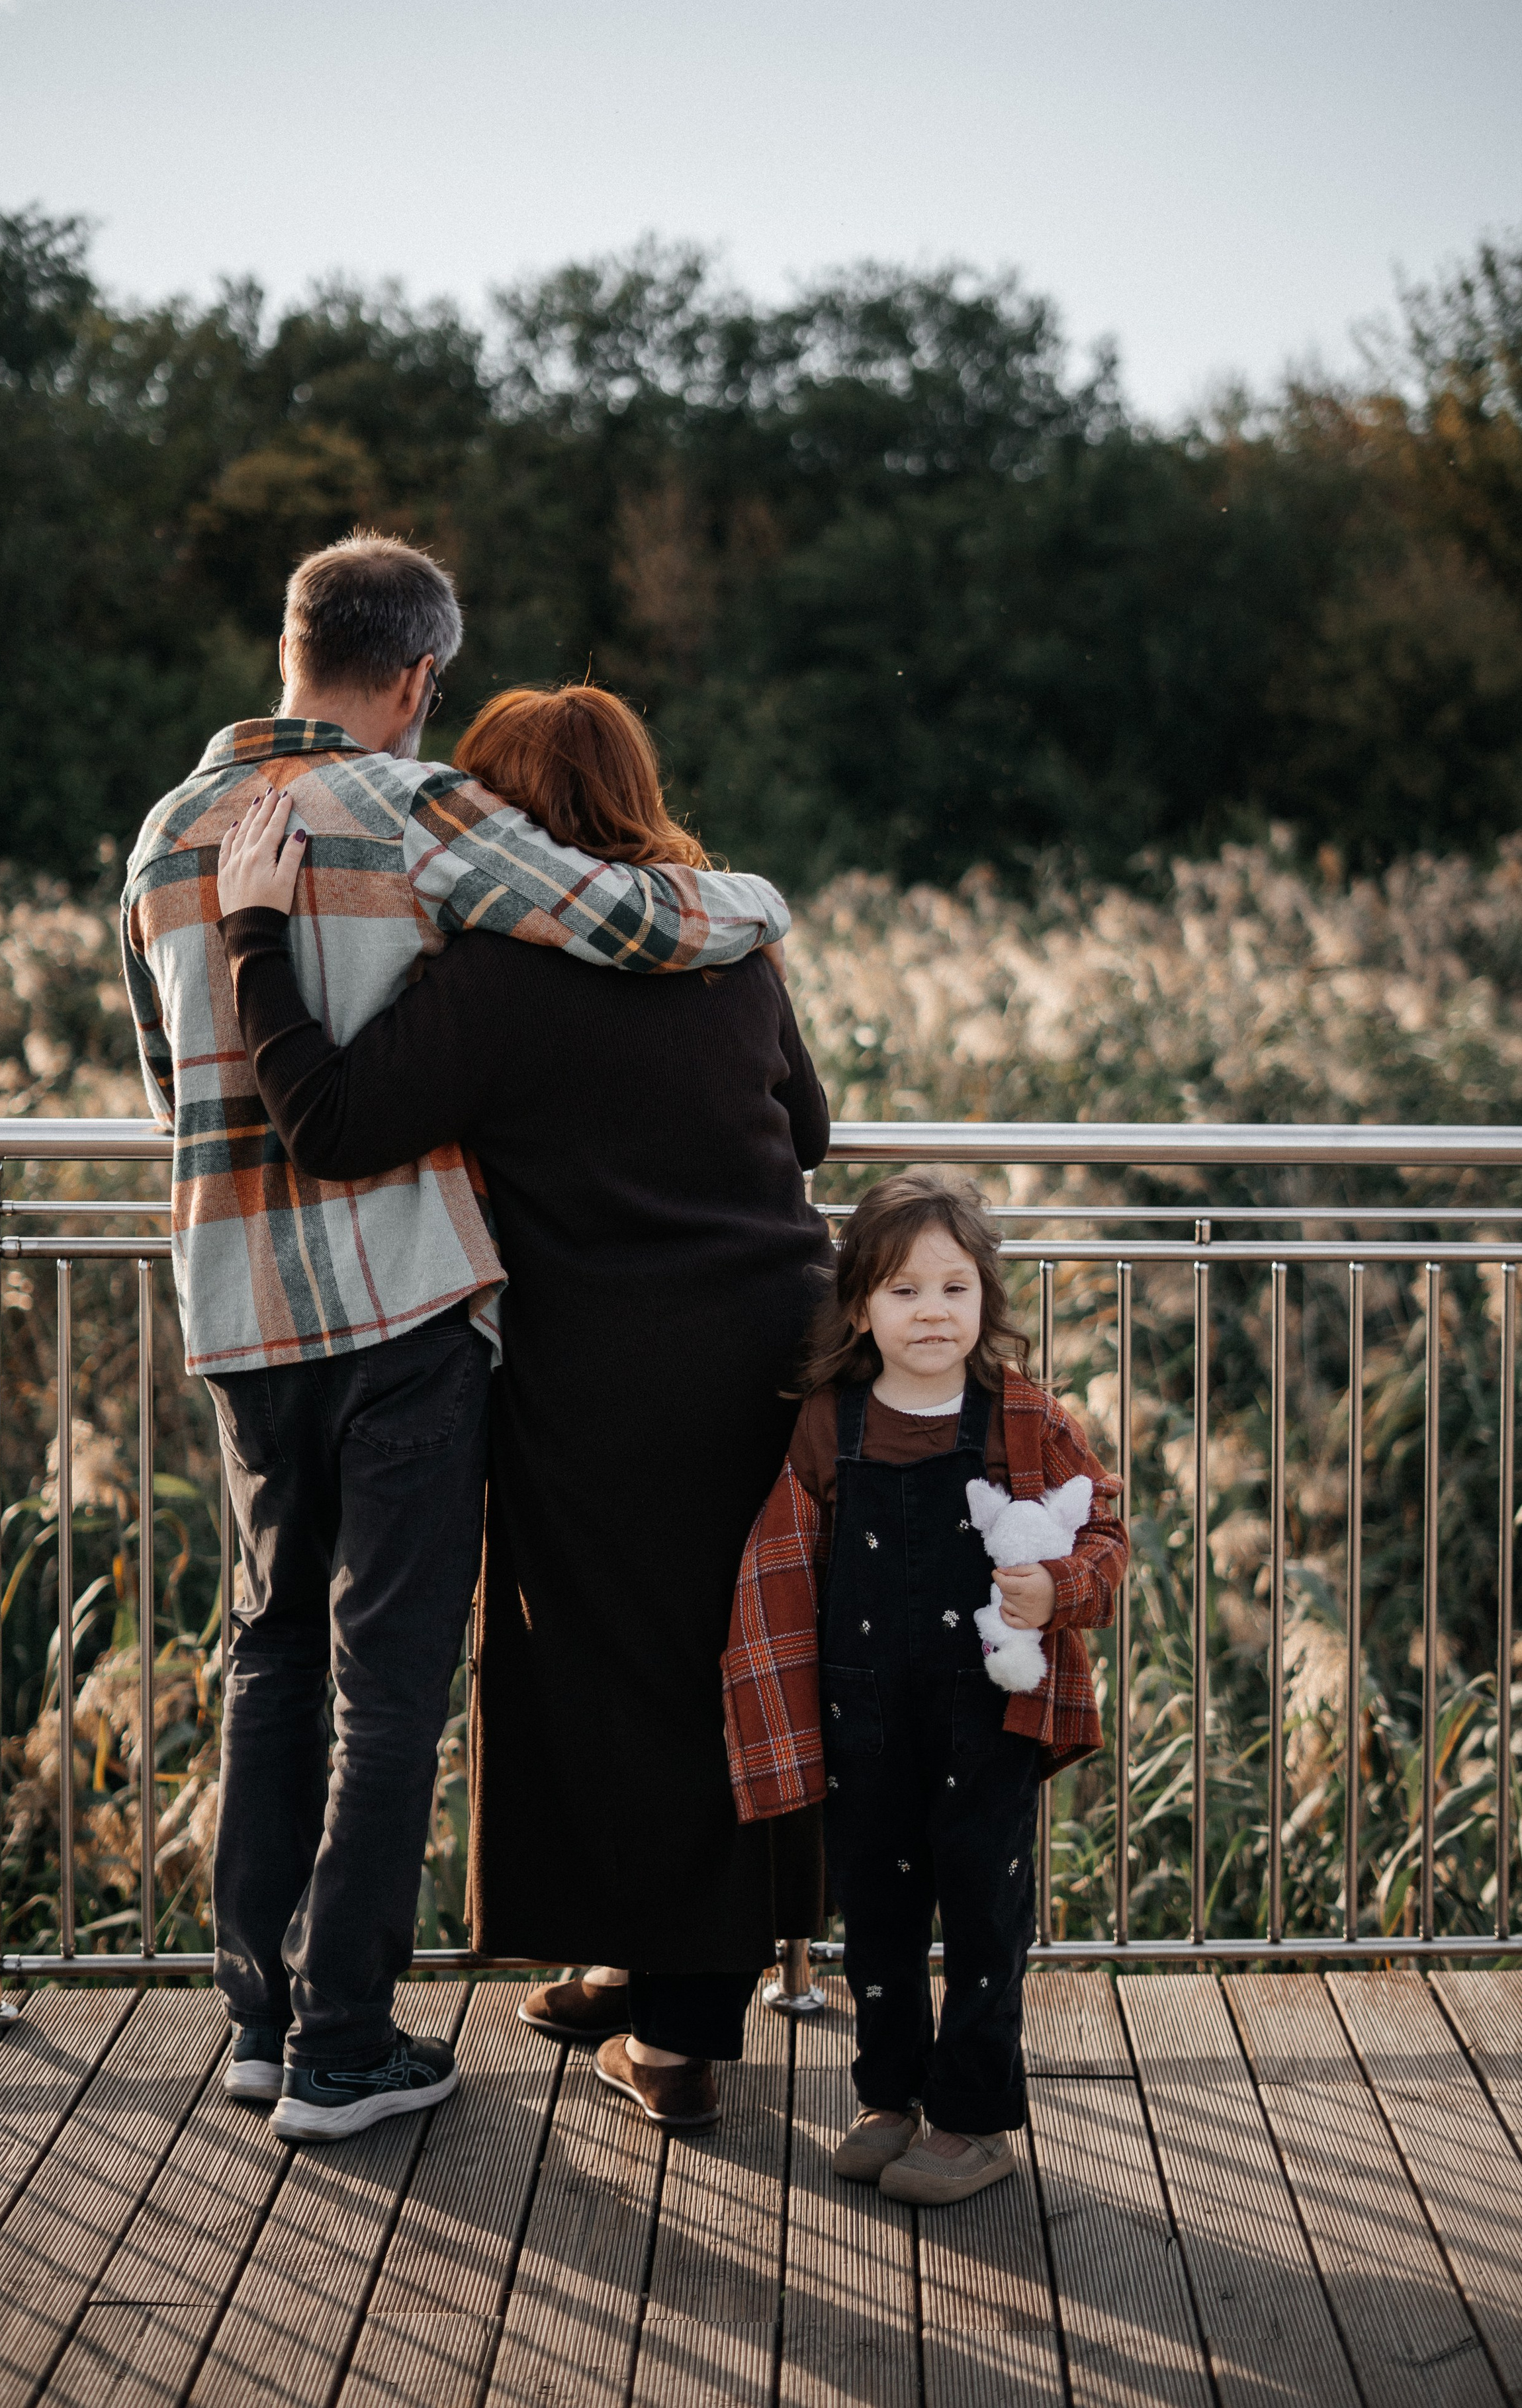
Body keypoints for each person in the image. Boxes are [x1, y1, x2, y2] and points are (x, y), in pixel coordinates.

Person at [122, 540, 790, 2145]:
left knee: (268, 1657)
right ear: (419, 676)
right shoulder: (418, 810)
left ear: (287, 646)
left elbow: (171, 1091)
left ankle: (262, 2025)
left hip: (237, 1311)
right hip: (404, 1308)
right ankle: (347, 2036)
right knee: (390, 1681)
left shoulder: (161, 835)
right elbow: (624, 920)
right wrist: (756, 902)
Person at [719, 1172, 1127, 2202]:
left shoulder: (1021, 1419)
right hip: (866, 1714)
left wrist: (1058, 1590)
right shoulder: (829, 1422)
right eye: (904, 1291)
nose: (932, 1312)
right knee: (879, 1912)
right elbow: (778, 1573)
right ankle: (887, 2097)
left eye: (954, 1288)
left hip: (986, 1715)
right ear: (861, 1306)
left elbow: (1105, 1537)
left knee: (984, 1911)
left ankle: (973, 2118)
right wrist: (784, 1717)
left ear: (985, 1301)